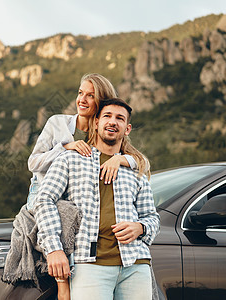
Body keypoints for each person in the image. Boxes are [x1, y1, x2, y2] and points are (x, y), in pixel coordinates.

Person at [26, 74, 150, 299]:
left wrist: (121, 160)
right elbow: (34, 166)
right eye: (80, 93)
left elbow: (141, 168)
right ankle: (63, 282)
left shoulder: (126, 160)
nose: (82, 99)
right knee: (63, 219)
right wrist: (66, 147)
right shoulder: (61, 129)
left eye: (90, 96)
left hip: (133, 260)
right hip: (45, 188)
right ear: (98, 120)